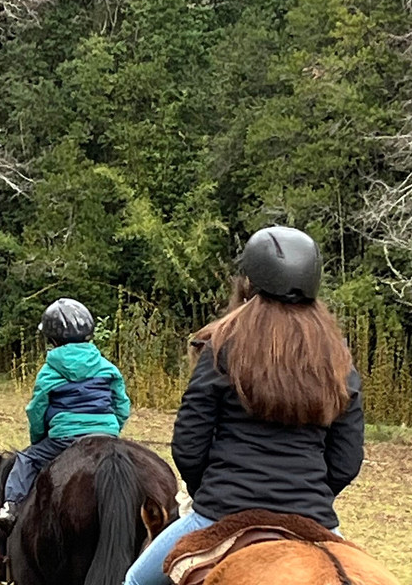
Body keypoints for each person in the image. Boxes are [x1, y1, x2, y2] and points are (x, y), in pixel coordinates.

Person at [123, 226, 365, 585]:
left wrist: (213, 492)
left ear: (249, 280)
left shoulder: (222, 344)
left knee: (135, 580)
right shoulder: (337, 359)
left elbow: (189, 444)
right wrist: (305, 497)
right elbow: (346, 460)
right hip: (312, 513)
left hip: (223, 508)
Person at [0, 297, 131, 534]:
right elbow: (122, 404)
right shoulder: (107, 366)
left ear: (52, 339)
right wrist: (112, 428)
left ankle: (10, 508)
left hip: (64, 439)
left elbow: (36, 410)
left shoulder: (49, 370)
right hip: (106, 433)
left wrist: (38, 438)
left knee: (26, 459)